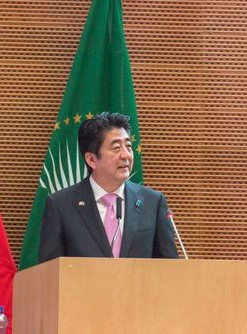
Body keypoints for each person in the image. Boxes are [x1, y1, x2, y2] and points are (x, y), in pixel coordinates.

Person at [38, 112, 179, 263]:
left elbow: (168, 269)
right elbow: (49, 273)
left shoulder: (153, 203)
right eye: (116, 148)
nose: (126, 155)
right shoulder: (61, 206)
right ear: (92, 159)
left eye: (128, 146)